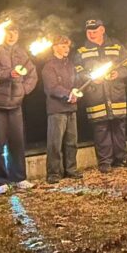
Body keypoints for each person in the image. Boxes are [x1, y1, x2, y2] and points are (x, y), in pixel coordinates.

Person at [0, 22, 37, 194]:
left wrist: (23, 90)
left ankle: (19, 178)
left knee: (17, 142)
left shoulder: (21, 52)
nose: (12, 35)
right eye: (9, 32)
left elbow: (32, 74)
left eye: (15, 32)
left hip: (15, 105)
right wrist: (8, 73)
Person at [75, 19, 127, 173]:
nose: (91, 34)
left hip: (116, 94)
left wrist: (118, 73)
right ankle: (105, 161)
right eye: (88, 32)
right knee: (101, 128)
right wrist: (90, 77)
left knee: (119, 127)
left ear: (102, 30)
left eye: (94, 31)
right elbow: (78, 70)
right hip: (96, 95)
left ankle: (122, 158)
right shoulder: (81, 51)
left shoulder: (116, 45)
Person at [41, 36, 82, 183]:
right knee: (55, 143)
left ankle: (71, 169)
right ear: (54, 47)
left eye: (68, 46)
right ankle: (54, 173)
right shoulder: (49, 66)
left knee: (72, 141)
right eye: (63, 46)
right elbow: (51, 88)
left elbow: (76, 81)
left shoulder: (70, 64)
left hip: (71, 107)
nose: (67, 49)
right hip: (56, 109)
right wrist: (67, 94)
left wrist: (75, 92)